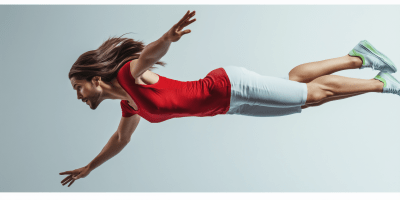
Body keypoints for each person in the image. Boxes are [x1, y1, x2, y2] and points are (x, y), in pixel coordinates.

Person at [59, 10, 400, 187]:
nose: (78, 96)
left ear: (94, 79)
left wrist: (168, 37)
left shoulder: (127, 74)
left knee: (313, 95)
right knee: (300, 93)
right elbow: (121, 139)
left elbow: (147, 56)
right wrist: (90, 167)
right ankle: (358, 56)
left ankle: (381, 82)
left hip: (228, 87)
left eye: (78, 87)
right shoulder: (129, 105)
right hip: (231, 106)